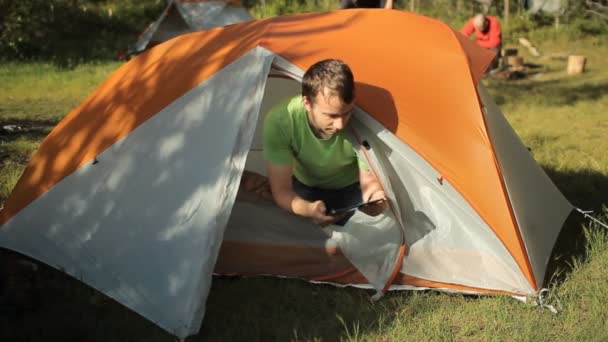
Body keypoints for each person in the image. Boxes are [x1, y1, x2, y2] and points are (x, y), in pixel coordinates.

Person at [263, 59, 388, 227]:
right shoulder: (281, 121)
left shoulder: (363, 121)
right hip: (305, 188)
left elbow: (369, 181)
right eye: (332, 116)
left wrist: (375, 198)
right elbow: (281, 190)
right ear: (307, 103)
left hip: (353, 188)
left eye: (347, 113)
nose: (341, 125)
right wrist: (308, 209)